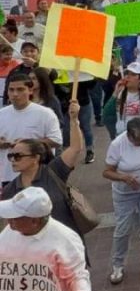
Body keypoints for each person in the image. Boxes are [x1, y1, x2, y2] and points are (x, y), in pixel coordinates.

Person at [0, 187, 91, 291]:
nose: (9, 221)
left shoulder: (65, 239)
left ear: (34, 221)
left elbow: (77, 275)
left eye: (15, 217)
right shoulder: (10, 231)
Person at [2, 99, 85, 237]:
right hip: (36, 252)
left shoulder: (53, 171)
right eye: (11, 156)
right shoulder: (10, 189)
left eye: (18, 156)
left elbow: (75, 148)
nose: (13, 160)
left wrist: (74, 120)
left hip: (66, 242)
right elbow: (10, 227)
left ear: (36, 157)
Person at [103, 117, 140, 285]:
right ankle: (117, 264)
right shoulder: (117, 145)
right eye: (138, 141)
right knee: (123, 228)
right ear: (128, 136)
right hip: (125, 193)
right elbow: (107, 172)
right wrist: (123, 177)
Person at [0, 72, 62, 185]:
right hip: (7, 176)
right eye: (11, 90)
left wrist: (27, 144)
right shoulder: (2, 114)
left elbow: (56, 141)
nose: (15, 94)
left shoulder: (45, 113)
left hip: (38, 175)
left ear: (30, 90)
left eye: (20, 89)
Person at [105, 62, 140, 139]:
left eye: (133, 74)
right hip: (122, 139)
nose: (128, 76)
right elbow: (106, 114)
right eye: (127, 73)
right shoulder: (120, 93)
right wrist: (115, 93)